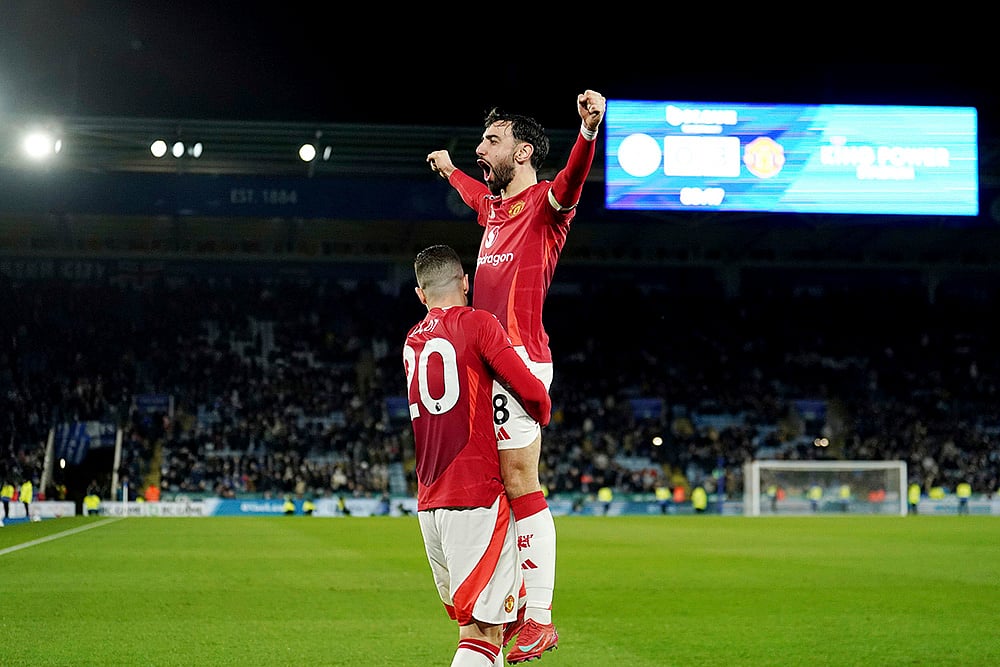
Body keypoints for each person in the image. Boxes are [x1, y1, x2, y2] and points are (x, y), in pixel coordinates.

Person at [427, 88, 605, 659]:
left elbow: (573, 181)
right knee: (497, 484)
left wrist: (588, 132)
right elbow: (474, 193)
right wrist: (450, 170)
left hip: (519, 360)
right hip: (486, 367)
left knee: (520, 478)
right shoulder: (493, 211)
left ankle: (540, 617)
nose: (482, 149)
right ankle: (511, 603)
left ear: (523, 151)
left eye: (492, 140)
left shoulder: (546, 205)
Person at [403, 244, 552, 666]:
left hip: (430, 504)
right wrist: (543, 412)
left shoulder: (412, 340)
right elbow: (532, 393)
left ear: (421, 294)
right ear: (466, 283)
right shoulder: (478, 323)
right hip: (475, 501)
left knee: (488, 629)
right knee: (481, 637)